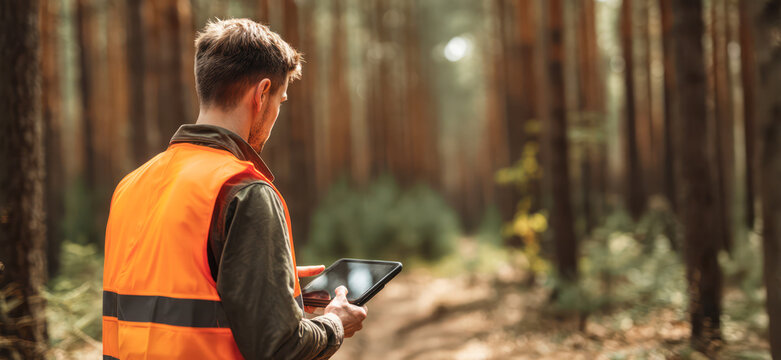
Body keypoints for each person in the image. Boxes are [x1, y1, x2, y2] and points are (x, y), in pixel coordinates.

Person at [102, 18, 367, 360]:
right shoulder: (243, 190)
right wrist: (334, 324)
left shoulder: (131, 184)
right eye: (280, 102)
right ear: (261, 95)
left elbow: (165, 293)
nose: (276, 115)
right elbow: (279, 348)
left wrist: (264, 278)